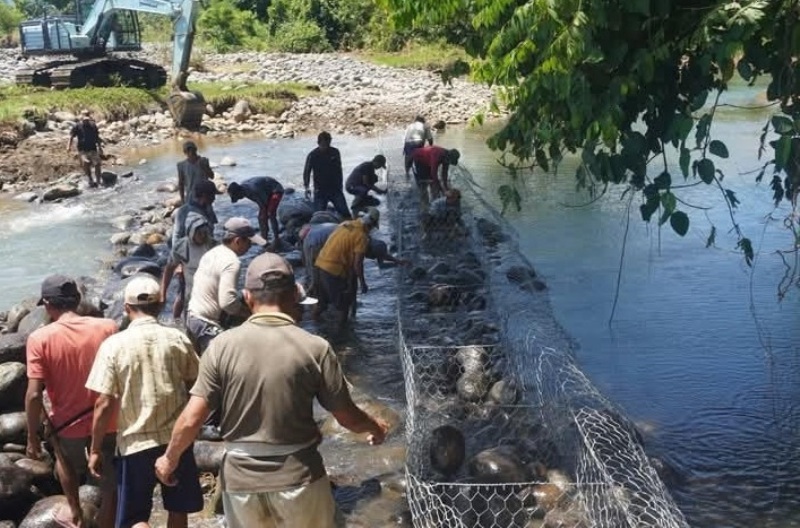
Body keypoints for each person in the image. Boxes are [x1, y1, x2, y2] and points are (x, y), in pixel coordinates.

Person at [154, 252, 388, 528]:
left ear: (247, 296)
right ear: (293, 297)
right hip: (299, 478)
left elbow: (193, 418)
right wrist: (374, 427)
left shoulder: (221, 346)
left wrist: (169, 458)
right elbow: (346, 416)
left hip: (241, 483)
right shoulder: (315, 347)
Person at [85, 276, 203, 528]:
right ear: (160, 306)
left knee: (134, 519)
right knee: (178, 509)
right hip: (176, 441)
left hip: (134, 444)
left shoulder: (113, 346)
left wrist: (95, 449)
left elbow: (103, 403)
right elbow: (198, 386)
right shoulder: (177, 338)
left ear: (126, 309)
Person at [25, 275, 118, 528]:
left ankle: (75, 513)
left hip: (67, 426)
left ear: (47, 304)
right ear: (77, 300)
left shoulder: (39, 339)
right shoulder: (108, 327)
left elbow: (34, 395)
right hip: (108, 419)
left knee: (66, 465)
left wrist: (32, 437)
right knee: (110, 485)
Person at [186, 217, 266, 353]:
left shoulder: (212, 252)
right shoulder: (232, 262)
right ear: (238, 241)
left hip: (192, 318)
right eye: (249, 243)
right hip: (207, 325)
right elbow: (228, 303)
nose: (250, 247)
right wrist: (251, 315)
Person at [161, 178, 220, 320]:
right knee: (183, 293)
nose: (214, 198)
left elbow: (213, 228)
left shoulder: (206, 209)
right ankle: (177, 320)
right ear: (205, 196)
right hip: (187, 256)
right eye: (213, 195)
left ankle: (182, 321)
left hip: (204, 251)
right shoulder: (185, 212)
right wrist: (180, 263)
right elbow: (176, 237)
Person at [313, 207, 380, 328]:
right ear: (370, 225)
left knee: (322, 305)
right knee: (343, 307)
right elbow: (357, 264)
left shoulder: (345, 224)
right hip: (332, 271)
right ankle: (342, 338)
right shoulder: (361, 237)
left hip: (319, 265)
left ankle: (315, 328)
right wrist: (363, 283)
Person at [303, 132, 351, 219]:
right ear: (318, 143)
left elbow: (339, 170)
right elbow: (307, 172)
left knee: (345, 213)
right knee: (318, 216)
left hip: (335, 189)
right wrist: (306, 187)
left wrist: (340, 185)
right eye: (323, 144)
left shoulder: (335, 152)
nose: (325, 147)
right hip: (320, 190)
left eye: (328, 144)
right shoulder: (313, 155)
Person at [227, 177, 284, 250]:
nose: (238, 199)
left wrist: (264, 215)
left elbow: (265, 204)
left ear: (240, 192)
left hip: (275, 190)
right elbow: (261, 204)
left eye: (237, 197)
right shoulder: (245, 190)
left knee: (270, 213)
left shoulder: (254, 190)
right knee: (261, 217)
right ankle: (264, 239)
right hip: (264, 191)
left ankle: (277, 239)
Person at [410, 146, 460, 212]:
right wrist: (441, 189)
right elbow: (434, 174)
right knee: (424, 185)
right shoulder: (437, 155)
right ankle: (425, 208)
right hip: (419, 159)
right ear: (448, 157)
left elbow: (444, 173)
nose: (449, 163)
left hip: (428, 161)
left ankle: (435, 203)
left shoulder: (447, 158)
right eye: (450, 161)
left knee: (434, 184)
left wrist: (446, 187)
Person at [67, 109, 103, 188]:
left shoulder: (93, 125)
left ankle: (98, 181)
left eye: (87, 115)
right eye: (84, 116)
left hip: (93, 148)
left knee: (97, 164)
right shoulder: (77, 126)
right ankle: (90, 178)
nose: (86, 120)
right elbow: (71, 136)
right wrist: (68, 146)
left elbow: (97, 137)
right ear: (81, 116)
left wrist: (100, 147)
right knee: (86, 163)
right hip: (82, 150)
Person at [177, 140, 214, 206]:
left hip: (204, 196)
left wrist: (204, 167)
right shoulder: (181, 165)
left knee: (209, 214)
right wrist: (182, 200)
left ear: (196, 150)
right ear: (185, 152)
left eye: (192, 150)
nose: (191, 152)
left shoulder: (204, 161)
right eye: (188, 150)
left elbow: (212, 176)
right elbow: (181, 183)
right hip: (191, 197)